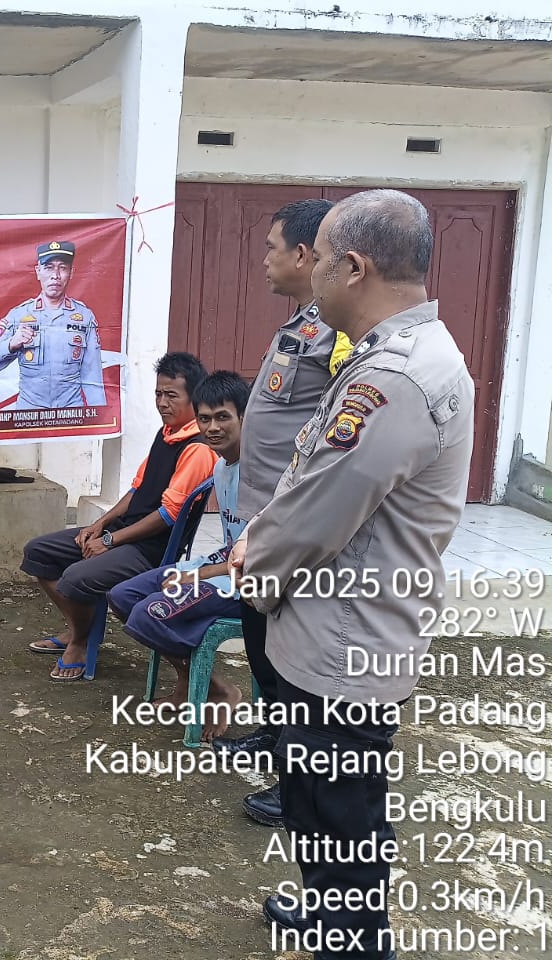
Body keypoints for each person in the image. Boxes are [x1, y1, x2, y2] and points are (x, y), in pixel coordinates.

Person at [230, 189, 472, 958]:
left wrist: (252, 574)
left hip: (343, 648)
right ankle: (332, 919)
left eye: (324, 259)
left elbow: (313, 517)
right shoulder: (387, 357)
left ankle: (355, 942)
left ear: (354, 267)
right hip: (332, 638)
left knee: (342, 818)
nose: (311, 271)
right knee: (317, 807)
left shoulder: (396, 377)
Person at [212, 199, 352, 830]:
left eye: (272, 248)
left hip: (285, 524)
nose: (263, 260)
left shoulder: (342, 337)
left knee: (285, 656)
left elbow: (338, 438)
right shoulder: (302, 323)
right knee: (264, 651)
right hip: (256, 520)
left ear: (305, 255)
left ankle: (296, 784)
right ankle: (276, 744)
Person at [23, 352, 217, 681]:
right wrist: (100, 524)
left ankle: (82, 642)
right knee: (38, 552)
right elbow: (136, 491)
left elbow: (168, 516)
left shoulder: (196, 448)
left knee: (74, 577)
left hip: (151, 549)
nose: (162, 403)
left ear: (193, 398)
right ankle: (76, 628)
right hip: (124, 533)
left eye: (172, 396)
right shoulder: (165, 434)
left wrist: (110, 540)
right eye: (158, 394)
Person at [106, 371, 249, 738]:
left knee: (147, 617)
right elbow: (232, 539)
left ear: (245, 418)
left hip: (247, 582)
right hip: (221, 564)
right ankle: (194, 683)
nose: (212, 427)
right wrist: (195, 570)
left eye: (223, 417)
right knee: (124, 595)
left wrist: (198, 575)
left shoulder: (260, 473)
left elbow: (257, 555)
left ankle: (220, 691)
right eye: (205, 419)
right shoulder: (222, 467)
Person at [0, 241, 106, 409]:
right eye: (48, 267)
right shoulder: (18, 315)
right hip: (29, 414)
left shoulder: (84, 317)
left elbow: (93, 376)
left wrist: (99, 420)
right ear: (38, 272)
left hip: (70, 413)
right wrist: (11, 344)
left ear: (71, 273)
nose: (55, 275)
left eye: (62, 267)